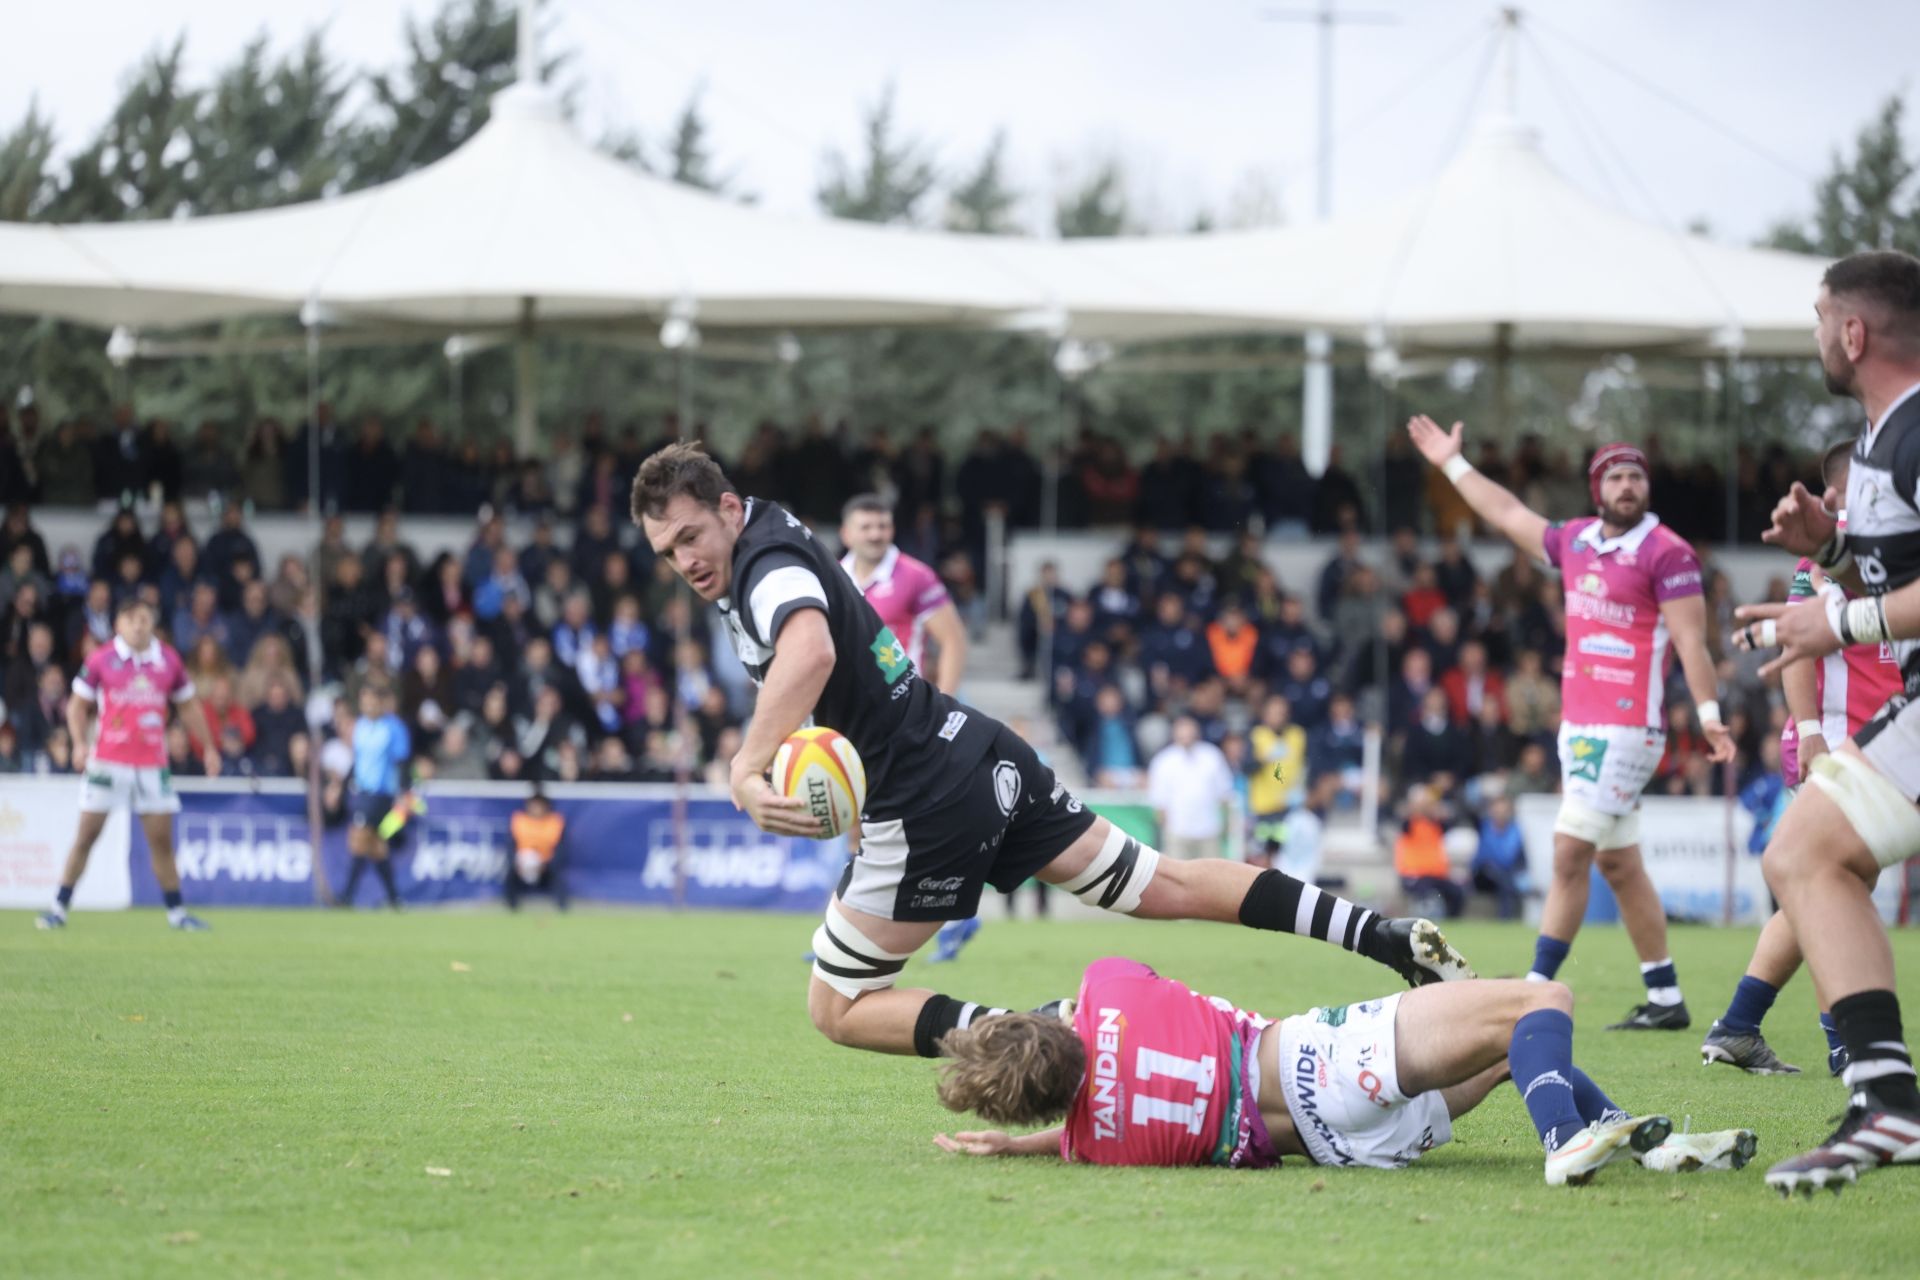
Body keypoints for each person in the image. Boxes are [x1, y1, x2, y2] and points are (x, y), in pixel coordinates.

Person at [632, 442, 1473, 1061]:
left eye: (691, 536)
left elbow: (809, 652)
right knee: (1163, 884)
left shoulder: (764, 566)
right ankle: (1384, 936)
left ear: (730, 509)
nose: (685, 561)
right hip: (976, 748)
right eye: (667, 552)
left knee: (839, 1006)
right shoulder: (774, 531)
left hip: (922, 799)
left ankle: (1057, 1033)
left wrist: (745, 767)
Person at [1408, 413, 1732, 1031]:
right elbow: (1505, 513)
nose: (1628, 485)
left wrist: (1711, 717)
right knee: (1618, 863)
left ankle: (1532, 990)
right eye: (1616, 476)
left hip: (1628, 727)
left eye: (1636, 475)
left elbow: (1693, 642)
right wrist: (1452, 463)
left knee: (1567, 853)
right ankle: (1665, 997)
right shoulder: (1576, 540)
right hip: (1580, 728)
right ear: (1596, 489)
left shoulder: (1669, 553)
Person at [931, 957, 1756, 1184]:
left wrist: (1014, 1147)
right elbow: (1124, 978)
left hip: (1344, 1147)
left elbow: (1071, 1131)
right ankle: (1566, 1140)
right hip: (1318, 1063)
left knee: (1516, 1053)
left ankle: (1646, 1146)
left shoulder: (1095, 1142)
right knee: (1544, 1000)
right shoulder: (1107, 991)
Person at [1726, 250, 1920, 1193]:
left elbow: (1879, 607)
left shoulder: (1918, 429)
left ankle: (1886, 1101)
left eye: (1817, 318)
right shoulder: (1882, 439)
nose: (1814, 335)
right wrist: (1835, 549)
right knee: (1805, 853)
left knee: (1804, 854)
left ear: (1855, 332)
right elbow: (1898, 575)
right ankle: (1886, 1100)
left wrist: (1835, 616)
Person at [1703, 443, 1901, 1078]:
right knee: (1835, 885)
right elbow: (1797, 645)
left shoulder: (1890, 540)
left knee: (1830, 887)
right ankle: (1841, 1043)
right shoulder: (1837, 544)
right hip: (1842, 735)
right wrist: (1811, 731)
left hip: (1880, 736)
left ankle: (1738, 1025)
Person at [36, 598, 221, 932]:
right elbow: (77, 707)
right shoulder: (101, 659)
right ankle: (58, 907)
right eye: (131, 619)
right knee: (86, 835)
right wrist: (79, 744)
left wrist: (208, 747)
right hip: (107, 763)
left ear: (152, 623)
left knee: (161, 841)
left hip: (152, 765)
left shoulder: (168, 660)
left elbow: (190, 708)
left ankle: (177, 913)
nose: (138, 625)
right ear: (119, 624)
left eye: (144, 618)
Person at [838, 494, 968, 696]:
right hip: (847, 706)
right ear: (845, 534)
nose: (875, 535)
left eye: (882, 526)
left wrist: (944, 706)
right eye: (866, 527)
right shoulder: (832, 578)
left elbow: (953, 640)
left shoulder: (917, 576)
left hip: (904, 708)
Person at [338, 683, 411, 910]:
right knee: (377, 846)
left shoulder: (393, 728)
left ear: (381, 703)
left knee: (358, 839)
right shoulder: (359, 727)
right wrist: (340, 786)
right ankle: (394, 898)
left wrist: (403, 794)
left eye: (372, 701)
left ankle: (347, 897)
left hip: (380, 795)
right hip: (362, 792)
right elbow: (358, 762)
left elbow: (402, 763)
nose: (368, 706)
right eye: (364, 701)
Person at [1147, 715, 1235, 861]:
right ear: (1174, 735)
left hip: (1208, 830)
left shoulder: (1212, 756)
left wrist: (1225, 825)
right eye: (1182, 734)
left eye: (1189, 733)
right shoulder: (1163, 761)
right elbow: (1159, 802)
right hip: (1178, 831)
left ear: (1197, 733)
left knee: (1211, 875)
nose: (1186, 738)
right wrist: (1166, 830)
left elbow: (1225, 794)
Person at [506, 786, 569, 912]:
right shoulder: (520, 820)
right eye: (533, 805)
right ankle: (512, 907)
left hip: (545, 865)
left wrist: (545, 865)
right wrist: (516, 864)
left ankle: (562, 908)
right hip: (522, 864)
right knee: (510, 876)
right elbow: (510, 847)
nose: (536, 808)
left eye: (539, 805)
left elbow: (561, 850)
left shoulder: (554, 822)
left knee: (557, 878)